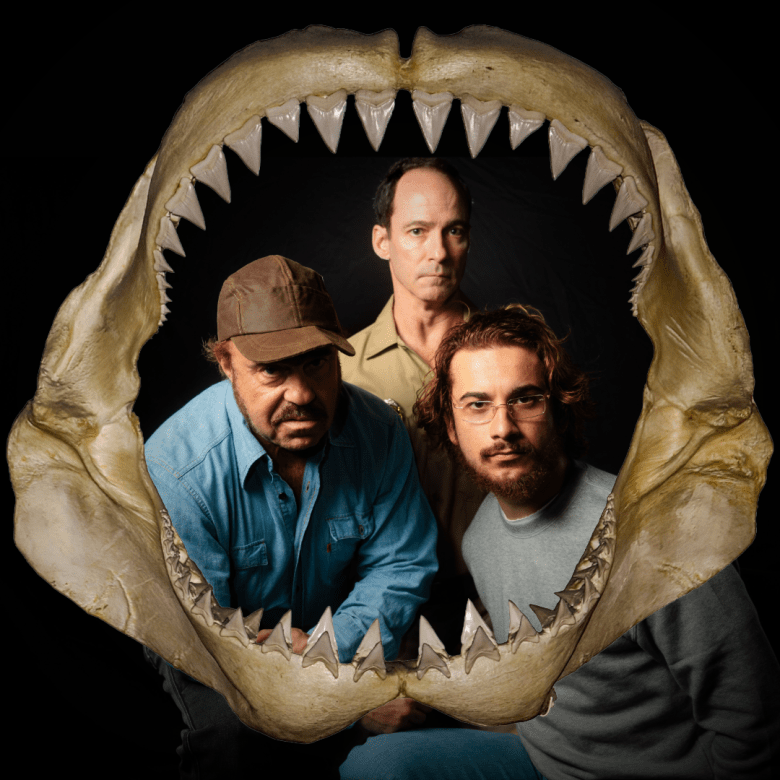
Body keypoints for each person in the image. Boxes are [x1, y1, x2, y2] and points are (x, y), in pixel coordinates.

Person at [348, 304, 779, 778]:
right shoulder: (481, 536)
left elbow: (750, 716)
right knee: (375, 765)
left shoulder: (655, 537)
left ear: (558, 409)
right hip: (541, 760)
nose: (502, 428)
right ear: (451, 426)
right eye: (477, 404)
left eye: (525, 399)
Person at [143, 255, 438, 778]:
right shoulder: (177, 467)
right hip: (213, 652)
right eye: (272, 370)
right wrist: (346, 702)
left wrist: (330, 651)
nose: (301, 394)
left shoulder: (380, 431)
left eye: (317, 363)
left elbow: (401, 567)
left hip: (338, 631)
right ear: (226, 362)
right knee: (231, 734)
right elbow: (208, 637)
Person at [341, 157, 487, 656]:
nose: (439, 252)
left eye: (454, 231)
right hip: (381, 609)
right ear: (382, 241)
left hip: (497, 603)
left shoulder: (515, 358)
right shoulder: (342, 372)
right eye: (418, 231)